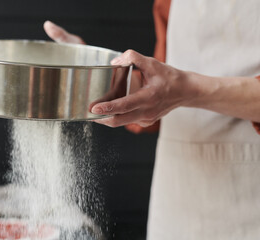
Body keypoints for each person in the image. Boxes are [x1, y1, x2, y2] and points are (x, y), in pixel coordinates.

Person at [44, 0, 260, 239]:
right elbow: (164, 77)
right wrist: (101, 76)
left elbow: (176, 86)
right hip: (178, 197)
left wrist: (187, 90)